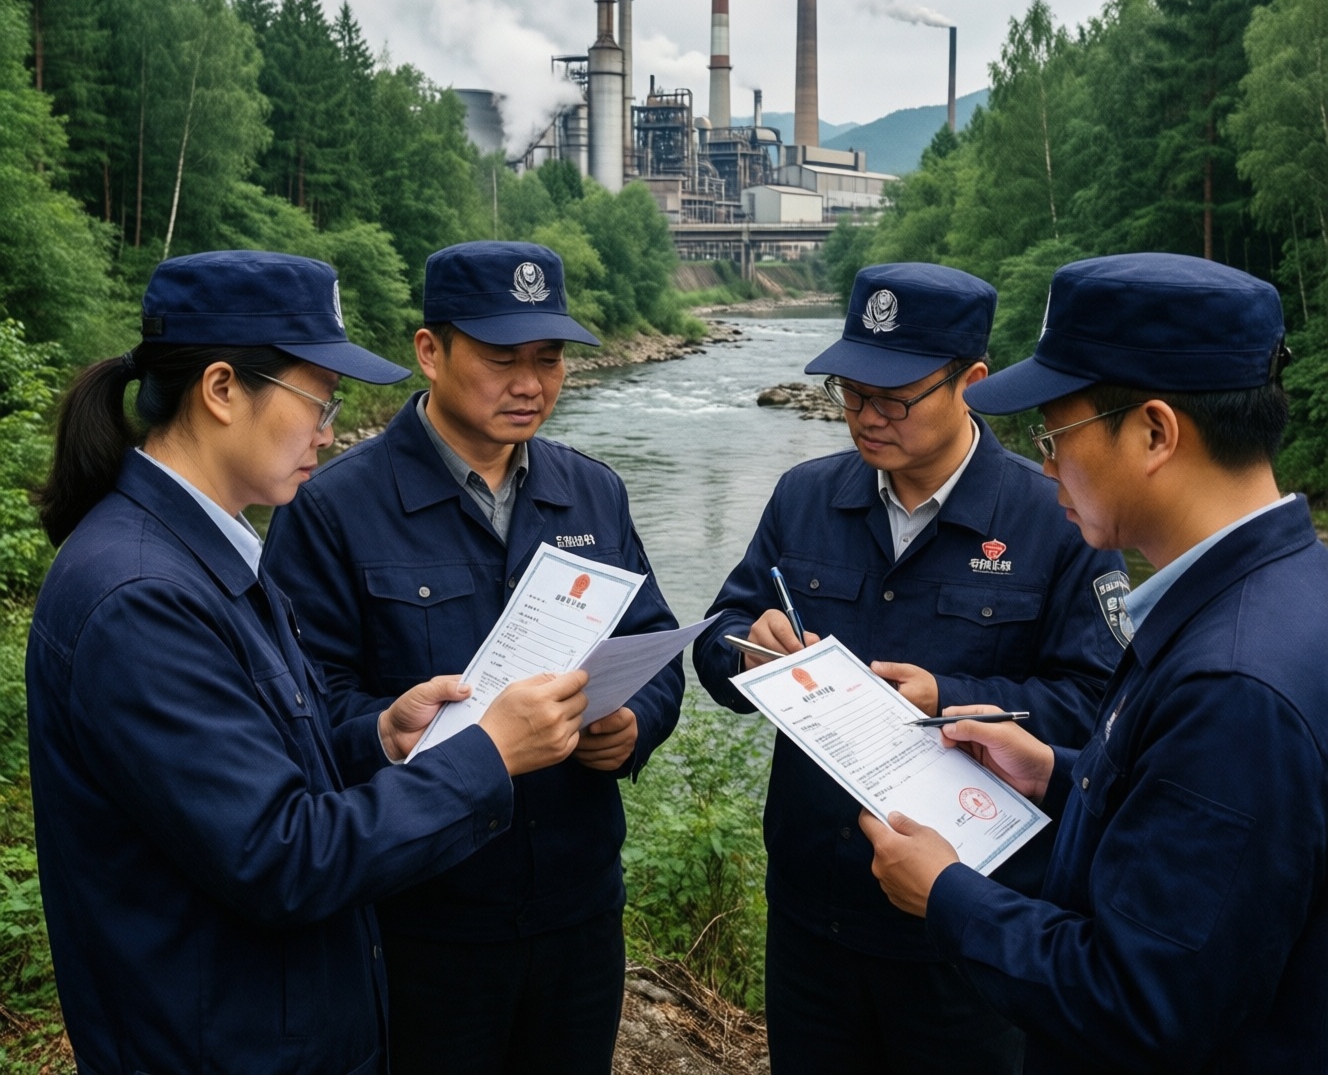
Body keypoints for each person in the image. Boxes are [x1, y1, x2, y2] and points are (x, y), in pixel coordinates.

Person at [27, 249, 591, 1075]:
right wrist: (487, 753)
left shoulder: (207, 553)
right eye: (319, 401)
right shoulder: (142, 598)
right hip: (220, 1044)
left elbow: (261, 770)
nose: (328, 432)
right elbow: (282, 857)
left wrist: (380, 736)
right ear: (222, 390)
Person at [860, 252, 1328, 1073]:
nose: (1045, 467)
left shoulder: (1232, 686)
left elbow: (1143, 1001)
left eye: (1056, 436)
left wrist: (948, 895)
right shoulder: (1284, 590)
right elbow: (1193, 828)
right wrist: (1058, 773)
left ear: (1154, 432)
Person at [692, 261, 1127, 1074]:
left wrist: (947, 697)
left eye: (894, 398)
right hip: (812, 920)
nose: (866, 417)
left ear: (971, 384)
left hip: (966, 926)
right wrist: (745, 648)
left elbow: (1100, 708)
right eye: (851, 393)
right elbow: (717, 637)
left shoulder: (1057, 518)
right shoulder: (805, 497)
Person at [264, 239, 685, 1075]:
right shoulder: (334, 507)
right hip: (422, 920)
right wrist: (387, 728)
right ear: (431, 351)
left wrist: (634, 725)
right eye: (502, 358)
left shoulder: (592, 490)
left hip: (577, 913)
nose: (530, 384)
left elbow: (656, 647)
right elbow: (302, 709)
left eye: (549, 358)